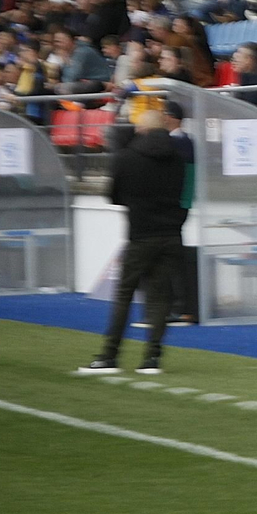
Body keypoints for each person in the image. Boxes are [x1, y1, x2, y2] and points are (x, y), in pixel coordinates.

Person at [79, 108, 191, 375]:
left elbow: (113, 196)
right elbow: (185, 197)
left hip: (140, 234)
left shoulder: (126, 158)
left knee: (124, 296)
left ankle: (110, 355)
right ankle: (152, 357)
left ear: (140, 129)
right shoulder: (180, 157)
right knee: (160, 296)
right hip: (171, 234)